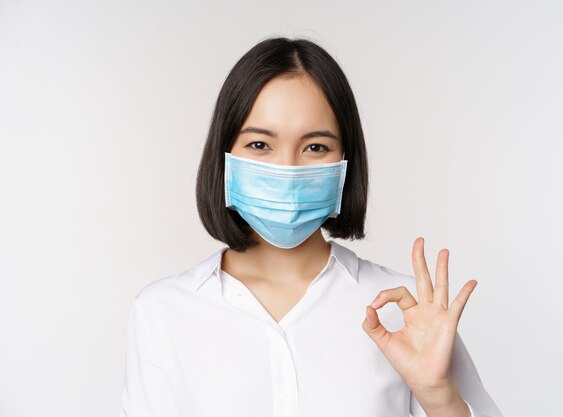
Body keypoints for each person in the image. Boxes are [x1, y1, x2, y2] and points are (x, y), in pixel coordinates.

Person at [119, 36, 504, 417]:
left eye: (315, 147)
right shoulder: (162, 312)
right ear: (225, 156)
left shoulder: (404, 312)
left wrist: (438, 396)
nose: (287, 169)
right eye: (259, 145)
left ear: (345, 161)